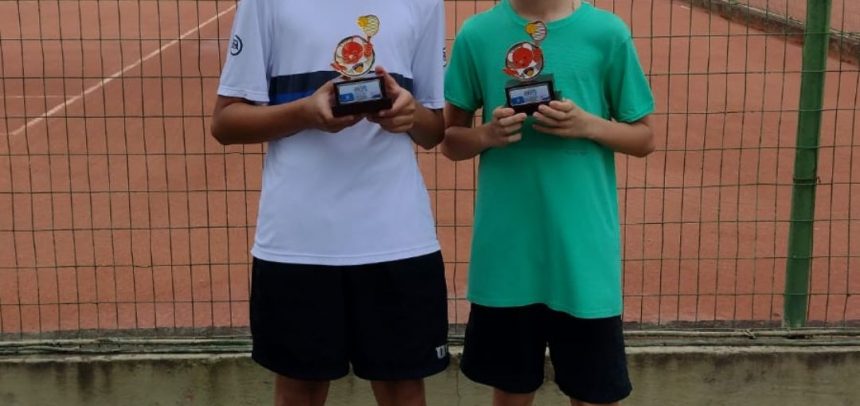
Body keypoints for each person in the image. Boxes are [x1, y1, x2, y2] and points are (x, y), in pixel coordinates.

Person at [210, 0, 448, 405]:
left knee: (403, 389)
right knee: (299, 391)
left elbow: (434, 129)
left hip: (397, 236)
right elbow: (226, 122)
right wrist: (305, 113)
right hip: (299, 240)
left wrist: (409, 115)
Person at [442, 0, 656, 405]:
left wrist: (587, 124)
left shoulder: (607, 34)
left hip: (583, 258)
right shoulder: (477, 34)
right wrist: (487, 135)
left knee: (594, 393)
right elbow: (451, 140)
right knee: (511, 391)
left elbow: (644, 137)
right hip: (507, 257)